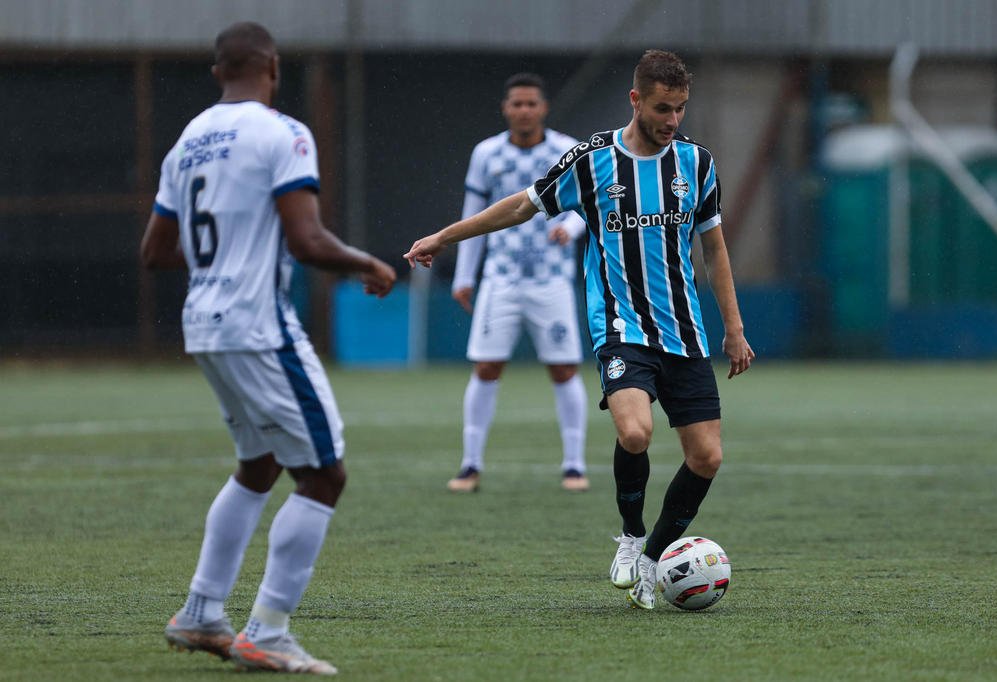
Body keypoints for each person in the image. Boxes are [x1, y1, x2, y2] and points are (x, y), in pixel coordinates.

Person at [404, 50, 754, 610]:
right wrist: (444, 238)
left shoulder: (698, 164)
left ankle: (650, 561)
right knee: (635, 433)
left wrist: (734, 330)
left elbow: (714, 248)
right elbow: (519, 208)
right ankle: (631, 535)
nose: (672, 121)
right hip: (621, 325)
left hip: (685, 333)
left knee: (706, 457)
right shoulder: (591, 161)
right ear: (636, 100)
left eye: (682, 109)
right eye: (663, 108)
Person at [141, 22, 396, 673]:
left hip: (205, 325)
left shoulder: (188, 142)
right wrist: (366, 261)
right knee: (324, 473)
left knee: (258, 465)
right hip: (257, 326)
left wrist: (223, 257)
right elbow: (308, 241)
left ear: (218, 70)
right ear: (272, 68)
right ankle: (268, 630)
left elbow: (156, 252)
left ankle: (201, 613)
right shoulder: (284, 132)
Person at [447, 73, 590, 494]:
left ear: (543, 108)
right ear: (506, 109)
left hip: (552, 280)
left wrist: (572, 228)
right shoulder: (486, 154)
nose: (524, 110)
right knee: (487, 366)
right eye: (517, 104)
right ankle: (470, 464)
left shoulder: (565, 150)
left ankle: (574, 465)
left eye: (531, 103)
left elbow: (589, 203)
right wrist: (463, 275)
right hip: (501, 279)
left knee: (564, 369)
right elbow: (473, 213)